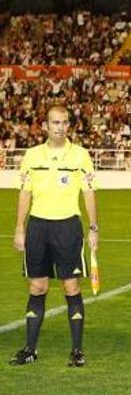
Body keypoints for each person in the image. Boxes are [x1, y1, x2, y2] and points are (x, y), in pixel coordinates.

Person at [9, 105, 98, 368]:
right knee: (37, 287)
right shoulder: (32, 155)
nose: (59, 127)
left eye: (64, 122)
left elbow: (89, 193)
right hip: (38, 227)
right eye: (54, 122)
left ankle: (77, 351)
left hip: (68, 227)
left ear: (70, 125)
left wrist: (94, 228)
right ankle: (29, 349)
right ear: (45, 126)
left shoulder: (81, 156)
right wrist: (19, 227)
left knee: (71, 287)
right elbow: (24, 193)